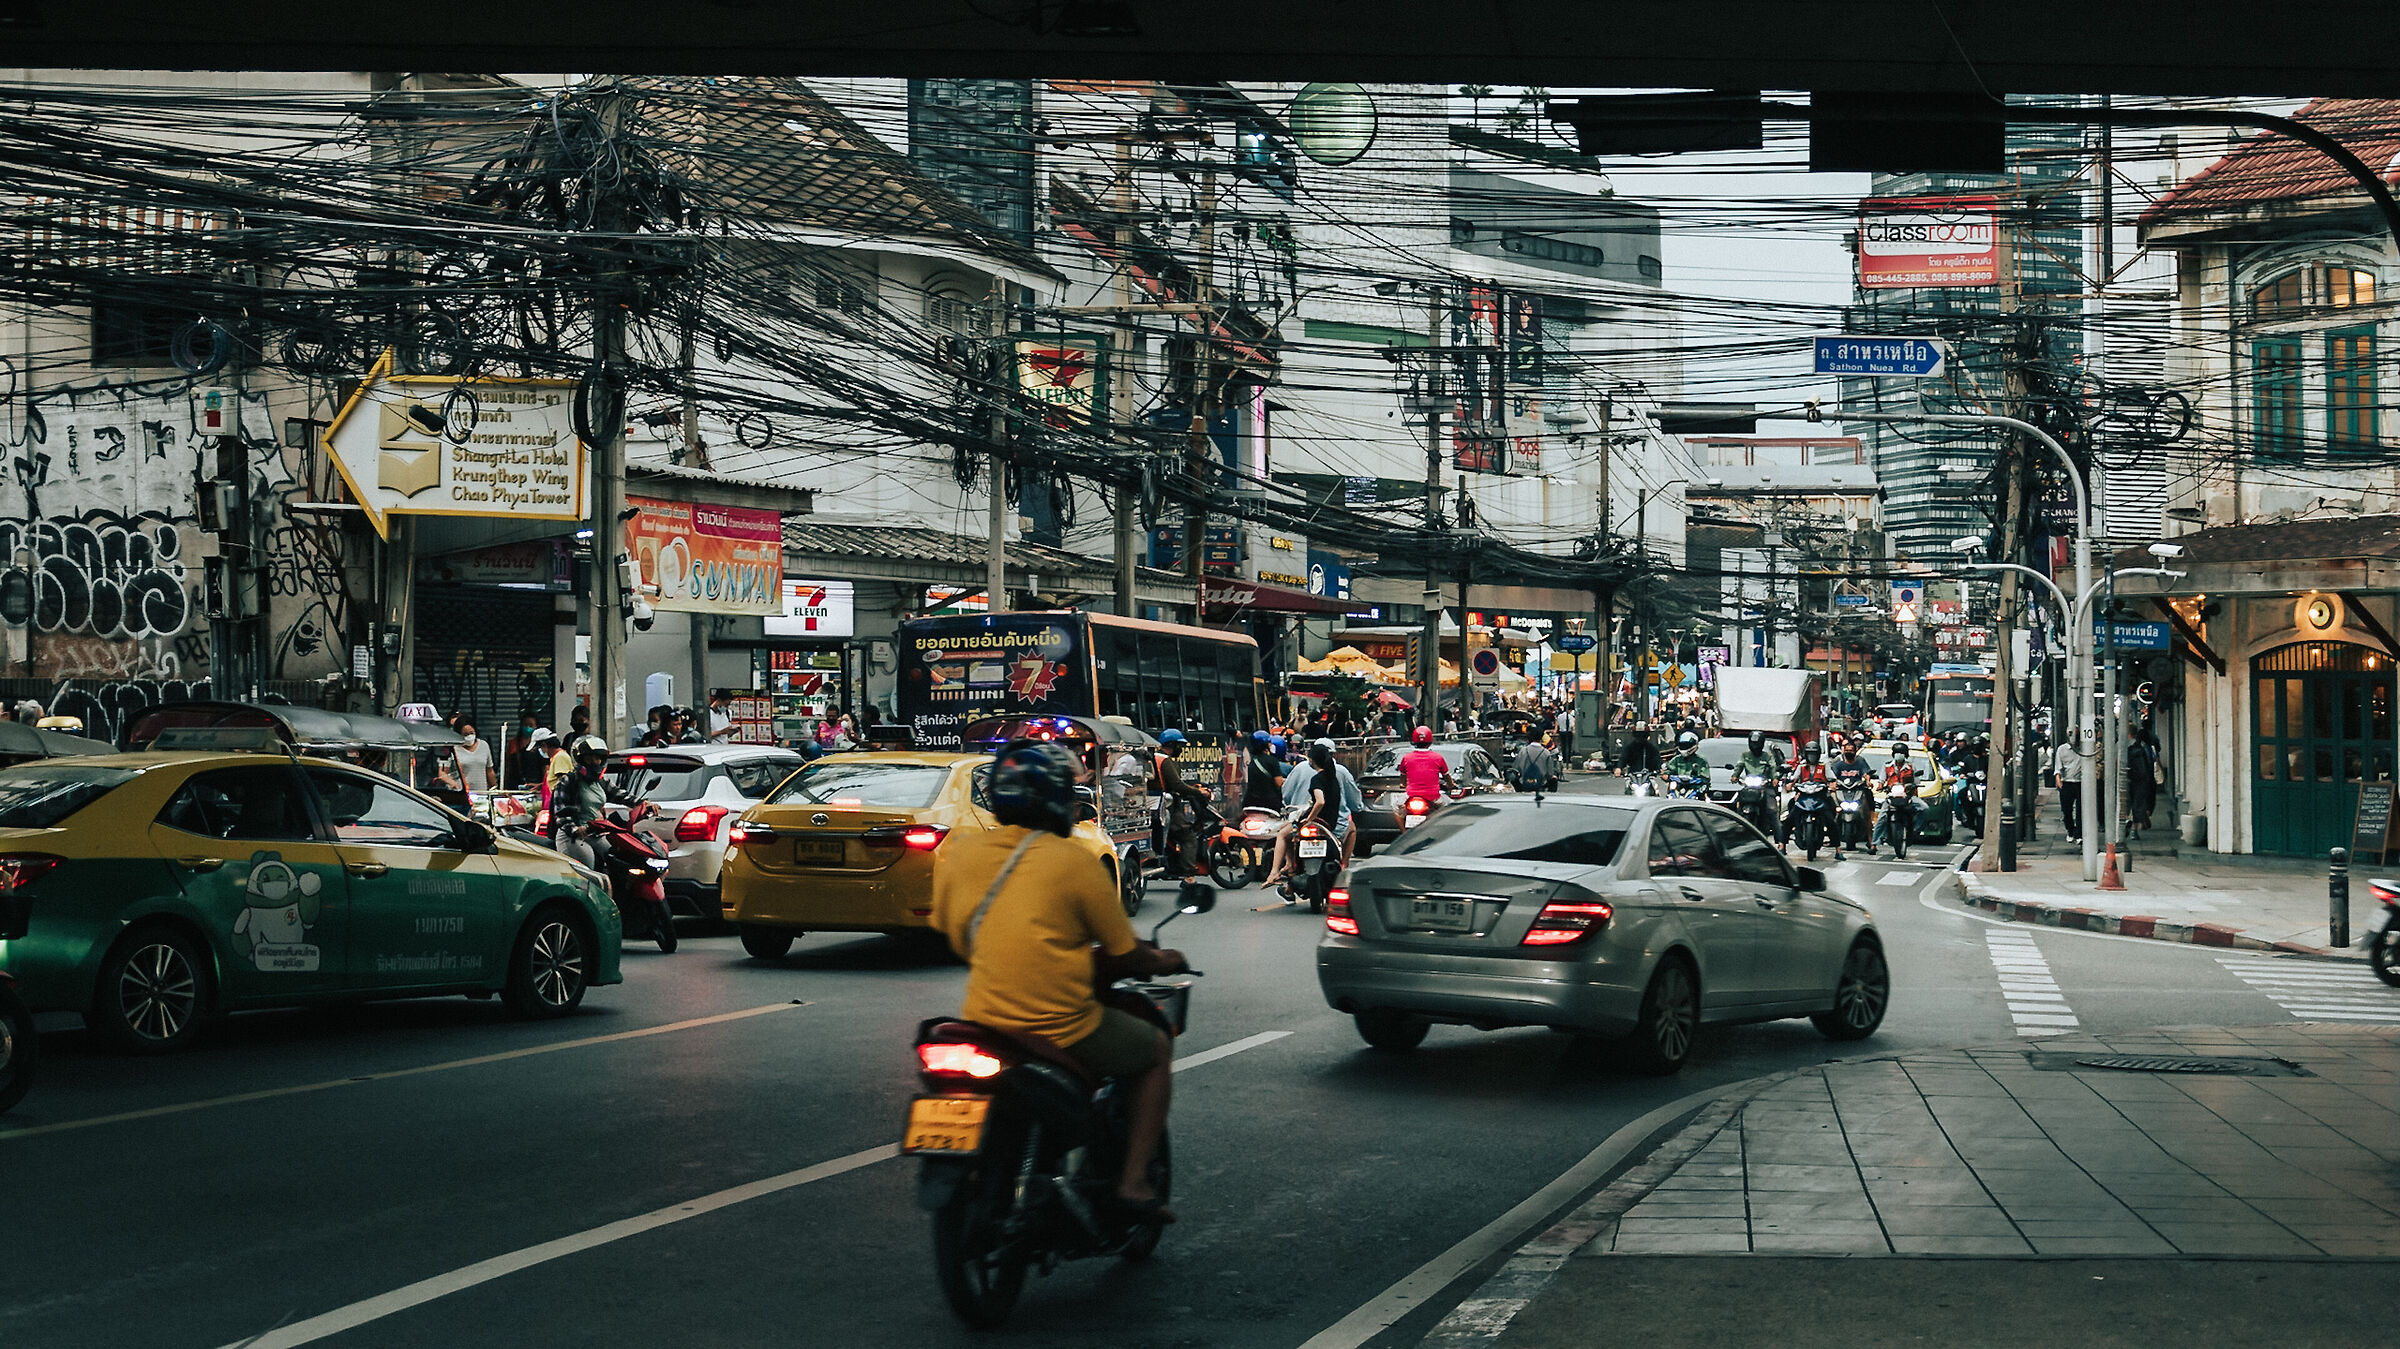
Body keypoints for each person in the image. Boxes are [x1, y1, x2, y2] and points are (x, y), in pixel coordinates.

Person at [931, 740, 1188, 1215]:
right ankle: (1132, 1183)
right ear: (1058, 798)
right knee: (1155, 1052)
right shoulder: (1072, 860)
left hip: (984, 1024)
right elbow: (1125, 952)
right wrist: (1166, 958)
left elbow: (955, 937)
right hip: (1063, 1029)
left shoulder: (961, 853)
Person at [1152, 729, 1213, 877]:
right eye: (1180, 746)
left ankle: (1173, 865)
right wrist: (1199, 792)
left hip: (1155, 804)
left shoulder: (1154, 758)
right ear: (1172, 744)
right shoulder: (1164, 761)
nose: (1181, 749)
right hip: (1166, 807)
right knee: (1187, 835)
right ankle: (1188, 874)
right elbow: (1177, 785)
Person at [551, 734, 611, 868]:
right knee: (588, 866)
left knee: (615, 856)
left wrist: (644, 804)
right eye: (590, 758)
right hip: (573, 836)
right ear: (581, 759)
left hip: (595, 834)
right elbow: (560, 814)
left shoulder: (600, 782)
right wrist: (576, 829)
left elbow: (620, 794)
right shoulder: (568, 781)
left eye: (598, 758)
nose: (595, 762)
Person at [1829, 737, 1874, 860]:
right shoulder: (1838, 764)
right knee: (1830, 808)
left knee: (1866, 812)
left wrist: (1868, 781)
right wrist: (1832, 784)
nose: (1849, 752)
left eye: (1851, 750)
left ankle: (1871, 840)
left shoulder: (1860, 761)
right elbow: (1832, 776)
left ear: (1855, 751)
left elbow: (1866, 773)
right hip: (1841, 792)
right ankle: (1829, 836)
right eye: (1847, 750)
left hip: (1858, 791)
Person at [1781, 741, 1832, 849]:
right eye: (1810, 754)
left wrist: (1833, 785)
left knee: (1831, 820)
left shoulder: (1824, 766)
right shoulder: (1802, 766)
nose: (1812, 757)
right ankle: (1782, 845)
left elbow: (1832, 778)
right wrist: (1790, 785)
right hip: (1803, 797)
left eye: (1814, 754)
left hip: (1820, 797)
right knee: (1789, 818)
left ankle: (1838, 849)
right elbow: (1794, 779)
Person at [1875, 739, 1921, 855]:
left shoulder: (1911, 767)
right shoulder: (1887, 766)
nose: (1899, 755)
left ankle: (1916, 829)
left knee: (1924, 808)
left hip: (1908, 796)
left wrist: (1913, 786)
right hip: (1892, 796)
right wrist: (1881, 786)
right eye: (1897, 752)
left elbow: (1916, 781)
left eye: (1901, 753)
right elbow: (1881, 781)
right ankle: (1874, 843)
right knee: (1882, 817)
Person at [1399, 725, 1458, 804]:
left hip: (1411, 796)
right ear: (1430, 742)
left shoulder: (1406, 758)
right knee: (1450, 806)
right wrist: (1451, 785)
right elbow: (1446, 776)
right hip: (1434, 797)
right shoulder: (1438, 757)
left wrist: (1403, 784)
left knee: (1397, 806)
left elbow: (1403, 777)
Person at [1241, 730, 1287, 812]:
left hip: (1251, 803)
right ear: (1265, 744)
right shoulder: (1272, 761)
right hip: (1270, 804)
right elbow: (1279, 783)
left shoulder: (1252, 761)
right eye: (1269, 742)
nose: (1271, 744)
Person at [2052, 736, 2086, 843]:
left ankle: (2079, 833)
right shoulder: (2062, 749)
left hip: (2081, 782)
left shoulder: (2085, 748)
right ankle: (2070, 830)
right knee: (2066, 810)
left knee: (2081, 809)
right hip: (2067, 782)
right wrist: (2058, 779)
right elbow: (2058, 767)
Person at [453, 720, 496, 792]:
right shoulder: (454, 749)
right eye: (465, 734)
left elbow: (489, 770)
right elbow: (445, 773)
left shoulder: (483, 745)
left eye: (471, 733)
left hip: (482, 793)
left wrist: (495, 789)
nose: (469, 736)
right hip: (462, 793)